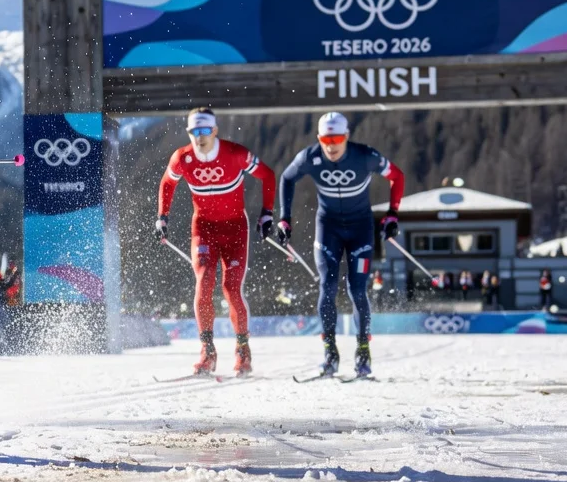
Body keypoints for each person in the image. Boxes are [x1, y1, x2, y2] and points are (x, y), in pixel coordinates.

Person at [278, 111, 404, 378]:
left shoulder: (365, 155)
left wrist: (393, 213)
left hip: (360, 229)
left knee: (357, 290)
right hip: (329, 228)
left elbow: (397, 176)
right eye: (326, 139)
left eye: (336, 139)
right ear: (319, 138)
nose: (331, 145)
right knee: (328, 286)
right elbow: (287, 178)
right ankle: (330, 355)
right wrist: (284, 218)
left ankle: (363, 353)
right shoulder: (309, 157)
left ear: (346, 136)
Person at [155, 107, 277, 376]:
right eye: (194, 131)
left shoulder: (234, 153)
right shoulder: (183, 157)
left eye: (205, 131)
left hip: (235, 229)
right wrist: (162, 218)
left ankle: (242, 350)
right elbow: (167, 183)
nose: (200, 137)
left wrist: (267, 213)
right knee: (204, 282)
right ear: (189, 133)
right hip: (204, 228)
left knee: (231, 289)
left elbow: (267, 175)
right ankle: (207, 352)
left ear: (215, 131)